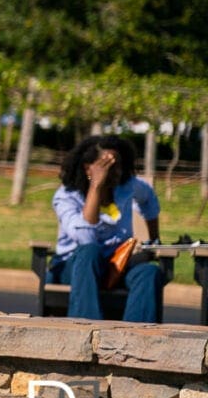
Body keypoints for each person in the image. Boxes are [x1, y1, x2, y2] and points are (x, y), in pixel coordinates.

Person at [49, 134, 164, 322]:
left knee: (149, 273)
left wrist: (154, 238)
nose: (117, 171)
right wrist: (96, 187)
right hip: (75, 266)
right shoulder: (66, 196)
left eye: (118, 165)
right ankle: (86, 330)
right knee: (90, 251)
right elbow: (86, 237)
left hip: (114, 267)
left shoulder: (126, 187)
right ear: (88, 168)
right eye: (108, 166)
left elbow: (148, 198)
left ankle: (138, 340)